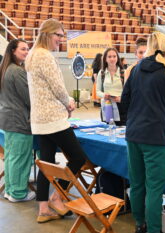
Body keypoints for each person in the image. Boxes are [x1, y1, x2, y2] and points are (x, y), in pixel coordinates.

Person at [121, 32, 165, 233]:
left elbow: (125, 101)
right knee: (155, 189)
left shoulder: (135, 69)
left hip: (134, 135)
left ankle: (140, 224)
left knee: (137, 184)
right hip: (156, 137)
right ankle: (154, 229)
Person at [25, 18, 86, 223]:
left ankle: (44, 209)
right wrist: (69, 102)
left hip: (40, 120)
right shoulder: (44, 56)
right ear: (47, 34)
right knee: (78, 158)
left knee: (47, 163)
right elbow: (58, 87)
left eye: (62, 35)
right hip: (53, 119)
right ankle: (56, 197)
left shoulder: (32, 55)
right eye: (57, 35)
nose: (61, 39)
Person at [0, 39, 35, 202]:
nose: (27, 52)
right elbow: (29, 98)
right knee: (20, 157)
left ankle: (10, 189)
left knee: (11, 157)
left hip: (8, 119)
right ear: (13, 50)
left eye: (28, 49)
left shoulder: (5, 69)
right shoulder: (17, 71)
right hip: (19, 120)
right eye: (23, 49)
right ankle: (18, 193)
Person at [96, 47, 126, 125]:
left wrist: (121, 98)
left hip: (121, 106)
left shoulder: (123, 73)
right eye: (109, 57)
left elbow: (129, 92)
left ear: (117, 58)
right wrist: (104, 95)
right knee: (108, 131)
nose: (112, 59)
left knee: (122, 130)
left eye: (114, 56)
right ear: (105, 59)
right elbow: (97, 91)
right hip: (107, 105)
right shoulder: (101, 73)